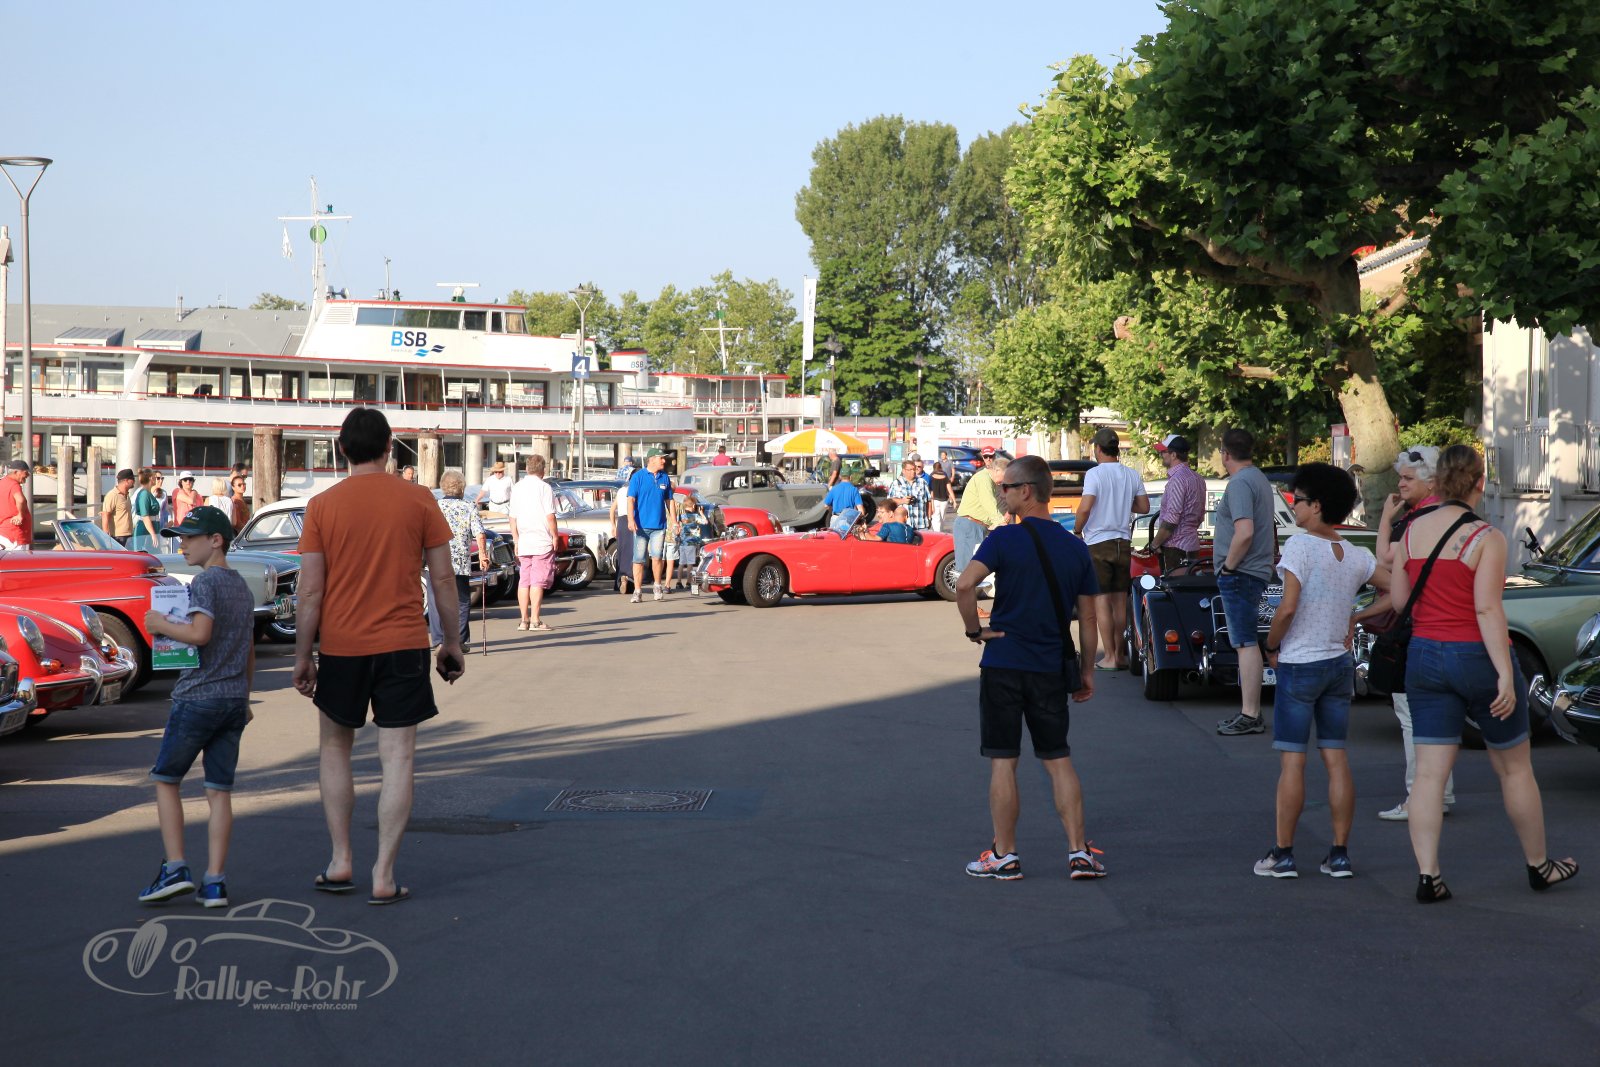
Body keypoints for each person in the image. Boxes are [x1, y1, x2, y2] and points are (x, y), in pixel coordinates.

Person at [293, 407, 463, 906]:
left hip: (342, 646)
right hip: (403, 643)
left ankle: (340, 859)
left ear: (342, 449)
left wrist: (304, 654)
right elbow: (444, 578)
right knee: (398, 757)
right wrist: (450, 642)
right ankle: (384, 873)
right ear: (389, 447)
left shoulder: (322, 506)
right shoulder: (419, 499)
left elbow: (310, 591)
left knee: (334, 750)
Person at [1392, 445, 1578, 902]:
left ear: (1438, 481)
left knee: (1430, 775)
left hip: (1424, 656)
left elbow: (1399, 602)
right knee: (1514, 768)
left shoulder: (1411, 531)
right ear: (1480, 482)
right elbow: (1487, 609)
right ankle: (1539, 865)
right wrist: (1504, 675)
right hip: (1475, 654)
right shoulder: (1485, 537)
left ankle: (1429, 876)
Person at [956, 454, 1105, 881]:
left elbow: (964, 584)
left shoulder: (1004, 539)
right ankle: (1078, 853)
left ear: (1026, 491)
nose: (1001, 493)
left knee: (1004, 761)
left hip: (1003, 662)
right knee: (1058, 758)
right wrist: (1087, 671)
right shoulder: (1075, 547)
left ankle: (1004, 855)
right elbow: (1088, 619)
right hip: (1049, 667)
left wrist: (975, 631)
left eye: (1005, 487)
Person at [1254, 464, 1382, 880]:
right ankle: (1339, 854)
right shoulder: (1357, 554)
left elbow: (1287, 607)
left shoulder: (1299, 546)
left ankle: (1283, 854)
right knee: (1336, 758)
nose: (1294, 505)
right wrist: (1357, 617)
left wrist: (1271, 645)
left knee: (1293, 762)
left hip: (1299, 664)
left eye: (1299, 499)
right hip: (1338, 665)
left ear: (1318, 506)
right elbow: (1399, 590)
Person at [136, 505, 257, 907]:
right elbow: (248, 650)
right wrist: (245, 696)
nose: (182, 545)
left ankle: (175, 867)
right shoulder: (242, 588)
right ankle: (215, 881)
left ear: (216, 540)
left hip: (197, 697)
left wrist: (160, 624)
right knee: (218, 790)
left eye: (190, 538)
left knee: (166, 779)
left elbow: (200, 634)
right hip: (233, 699)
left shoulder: (205, 583)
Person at [1356, 445, 1456, 821]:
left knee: (1412, 715)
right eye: (1400, 477)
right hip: (1446, 627)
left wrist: (1386, 517)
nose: (1400, 484)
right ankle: (1440, 793)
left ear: (1432, 482)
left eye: (1408, 478)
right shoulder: (1451, 517)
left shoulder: (1418, 521)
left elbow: (1385, 558)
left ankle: (1420, 797)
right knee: (1435, 716)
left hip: (1419, 629)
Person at [1213, 429, 1281, 737]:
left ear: (1225, 454)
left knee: (1244, 643)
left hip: (1241, 572)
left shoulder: (1240, 483)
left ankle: (1250, 713)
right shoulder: (1259, 479)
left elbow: (1245, 532)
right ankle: (1250, 711)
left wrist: (1228, 567)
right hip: (1255, 570)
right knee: (1247, 641)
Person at [1075, 428, 1149, 670]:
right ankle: (1121, 654)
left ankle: (1109, 657)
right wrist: (1121, 504)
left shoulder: (1094, 474)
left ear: (1097, 448)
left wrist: (1077, 530)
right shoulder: (1131, 474)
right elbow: (1144, 507)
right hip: (1123, 543)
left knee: (1101, 601)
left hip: (1098, 543)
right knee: (1119, 602)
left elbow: (1085, 507)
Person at [429, 470, 491, 647]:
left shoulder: (435, 506)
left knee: (436, 601)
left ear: (443, 487)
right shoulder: (468, 506)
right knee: (461, 601)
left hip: (437, 561)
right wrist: (482, 555)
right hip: (460, 563)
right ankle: (458, 640)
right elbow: (480, 534)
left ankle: (439, 640)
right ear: (462, 488)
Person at [508, 455, 558, 631]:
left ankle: (524, 620)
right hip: (541, 540)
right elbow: (550, 516)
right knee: (537, 581)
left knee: (524, 580)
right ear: (543, 470)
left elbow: (512, 517)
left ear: (527, 469)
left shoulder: (517, 487)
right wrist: (555, 536)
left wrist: (516, 539)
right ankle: (535, 620)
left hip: (524, 540)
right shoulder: (544, 487)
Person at [1146, 435, 1205, 573]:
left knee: (1176, 584)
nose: (1161, 455)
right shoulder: (1198, 478)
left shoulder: (1177, 480)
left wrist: (1154, 544)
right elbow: (1200, 515)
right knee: (1190, 583)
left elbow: (1172, 519)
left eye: (1163, 452)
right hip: (1192, 544)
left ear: (1173, 455)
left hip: (1176, 547)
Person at [627, 449, 674, 602]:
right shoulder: (638, 477)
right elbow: (630, 499)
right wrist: (630, 519)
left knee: (657, 557)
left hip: (659, 526)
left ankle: (657, 586)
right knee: (639, 559)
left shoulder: (664, 477)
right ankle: (637, 591)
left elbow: (670, 501)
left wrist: (674, 521)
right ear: (652, 459)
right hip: (640, 526)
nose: (664, 461)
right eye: (661, 458)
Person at [675, 494, 712, 594]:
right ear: (693, 506)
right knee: (690, 564)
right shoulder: (695, 517)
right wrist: (701, 513)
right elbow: (705, 522)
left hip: (682, 543)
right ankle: (688, 582)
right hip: (691, 543)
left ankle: (678, 582)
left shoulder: (681, 516)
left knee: (681, 563)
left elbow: (677, 526)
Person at [888, 459, 933, 532]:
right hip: (903, 525)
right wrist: (902, 501)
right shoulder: (896, 483)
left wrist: (929, 518)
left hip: (921, 525)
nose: (913, 471)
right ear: (903, 471)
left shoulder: (922, 482)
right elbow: (889, 502)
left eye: (914, 469)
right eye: (910, 470)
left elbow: (929, 501)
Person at [610, 473, 635, 595]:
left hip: (621, 521)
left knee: (621, 551)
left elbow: (612, 509)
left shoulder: (621, 490)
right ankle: (628, 578)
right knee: (631, 552)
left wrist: (613, 526)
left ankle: (619, 579)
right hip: (631, 520)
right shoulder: (635, 490)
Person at [823, 467, 865, 536]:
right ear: (850, 477)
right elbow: (861, 511)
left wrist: (832, 511)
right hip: (848, 519)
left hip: (835, 518)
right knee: (847, 540)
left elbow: (826, 505)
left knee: (834, 539)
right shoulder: (854, 490)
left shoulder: (834, 489)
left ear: (840, 477)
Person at [0, 460, 31, 550]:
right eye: (26, 473)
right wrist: (20, 515)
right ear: (16, 472)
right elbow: (20, 500)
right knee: (18, 558)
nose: (28, 475)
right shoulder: (14, 485)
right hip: (15, 534)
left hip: (3, 532)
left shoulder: (1, 483)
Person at [131, 468, 164, 551]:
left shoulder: (148, 493)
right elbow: (145, 516)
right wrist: (152, 534)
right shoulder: (144, 494)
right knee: (145, 552)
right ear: (150, 478)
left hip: (152, 527)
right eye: (155, 477)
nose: (156, 479)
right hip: (145, 530)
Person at [101, 468, 136, 544]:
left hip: (129, 535)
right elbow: (105, 515)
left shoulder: (127, 495)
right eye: (133, 479)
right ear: (126, 481)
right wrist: (106, 537)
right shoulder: (112, 495)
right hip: (118, 537)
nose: (134, 481)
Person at [928, 455, 956, 532]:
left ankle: (937, 532)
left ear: (934, 468)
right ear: (941, 467)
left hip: (935, 500)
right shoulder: (945, 476)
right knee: (942, 517)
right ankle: (940, 531)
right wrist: (954, 500)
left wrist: (930, 502)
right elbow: (949, 489)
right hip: (944, 500)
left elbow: (930, 490)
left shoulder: (931, 476)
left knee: (935, 517)